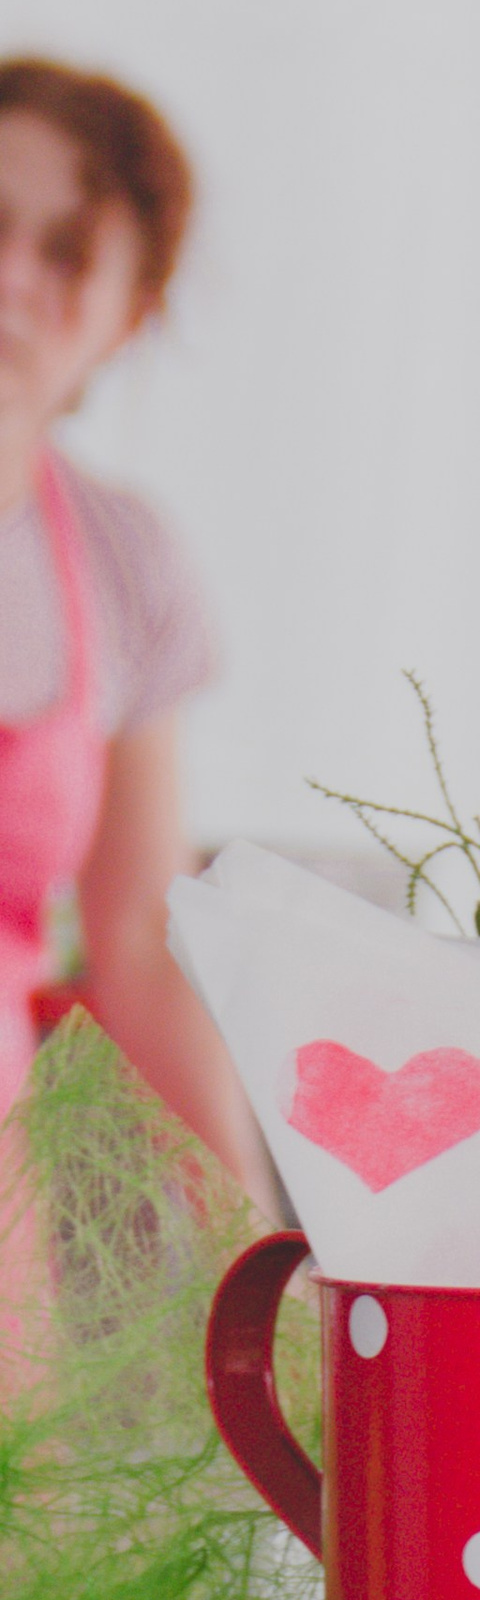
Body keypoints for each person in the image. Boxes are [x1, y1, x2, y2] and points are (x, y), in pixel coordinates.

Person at [0, 57, 256, 1182]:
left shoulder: (122, 558)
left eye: (65, 253)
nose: (9, 276)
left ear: (129, 315)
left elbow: (142, 954)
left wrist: (267, 1273)